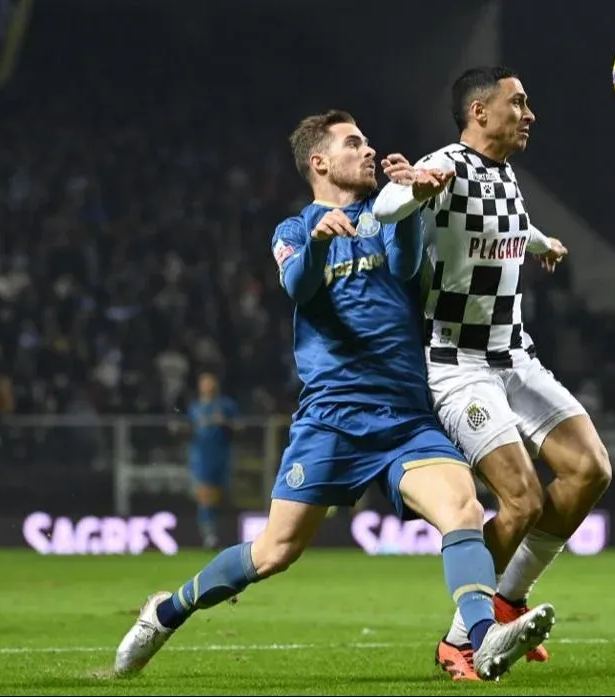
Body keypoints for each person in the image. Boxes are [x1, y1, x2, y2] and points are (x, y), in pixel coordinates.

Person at [113, 109, 555, 682]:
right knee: (273, 552)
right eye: (354, 143)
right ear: (319, 162)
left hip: (405, 417)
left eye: (367, 142)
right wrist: (320, 243)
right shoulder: (293, 231)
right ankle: (165, 613)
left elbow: (406, 267)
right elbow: (299, 288)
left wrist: (411, 201)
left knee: (464, 508)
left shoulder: (385, 211)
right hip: (332, 419)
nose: (368, 150)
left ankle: (480, 637)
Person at [373, 67, 612, 674]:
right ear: (479, 112)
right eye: (519, 103)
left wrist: (541, 242)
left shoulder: (504, 174)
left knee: (590, 470)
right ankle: (461, 639)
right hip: (460, 366)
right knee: (522, 500)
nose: (530, 114)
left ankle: (507, 601)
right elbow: (386, 206)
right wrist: (416, 188)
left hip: (515, 357)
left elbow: (503, 226)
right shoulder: (446, 164)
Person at [178, 371, 239, 548]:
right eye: (204, 382)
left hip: (222, 456)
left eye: (210, 382)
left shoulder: (227, 405)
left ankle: (219, 533)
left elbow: (238, 429)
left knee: (220, 497)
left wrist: (225, 423)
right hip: (201, 457)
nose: (208, 386)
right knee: (205, 496)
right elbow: (188, 430)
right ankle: (209, 536)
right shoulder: (194, 408)